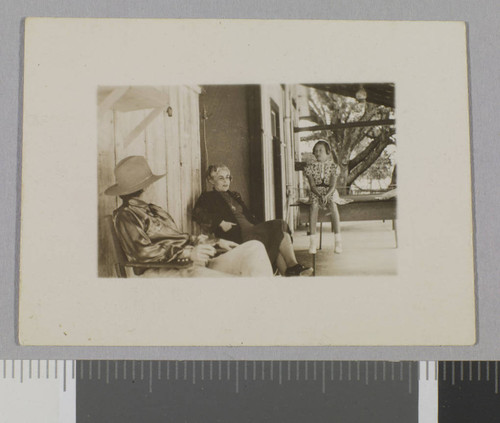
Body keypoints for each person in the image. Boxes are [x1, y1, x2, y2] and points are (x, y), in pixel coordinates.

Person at [104, 156, 273, 278]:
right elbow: (141, 253)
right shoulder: (126, 215)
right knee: (236, 285)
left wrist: (213, 242)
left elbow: (178, 238)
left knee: (254, 248)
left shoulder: (155, 210)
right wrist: (187, 252)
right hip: (165, 270)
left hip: (187, 263)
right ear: (146, 187)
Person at [193, 164, 313, 277]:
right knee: (279, 225)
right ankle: (293, 267)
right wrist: (220, 222)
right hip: (237, 235)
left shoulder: (234, 195)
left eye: (227, 177)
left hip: (252, 229)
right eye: (221, 178)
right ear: (211, 181)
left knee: (279, 237)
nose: (226, 181)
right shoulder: (207, 197)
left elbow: (248, 215)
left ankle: (290, 273)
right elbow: (197, 213)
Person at [304, 140, 351, 254]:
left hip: (330, 191)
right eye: (316, 151)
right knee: (313, 206)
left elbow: (333, 185)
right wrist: (320, 195)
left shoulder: (334, 167)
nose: (318, 153)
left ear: (328, 152)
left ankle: (338, 240)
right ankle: (312, 242)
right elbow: (312, 185)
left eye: (320, 150)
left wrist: (326, 195)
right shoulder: (309, 167)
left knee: (332, 204)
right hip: (316, 191)